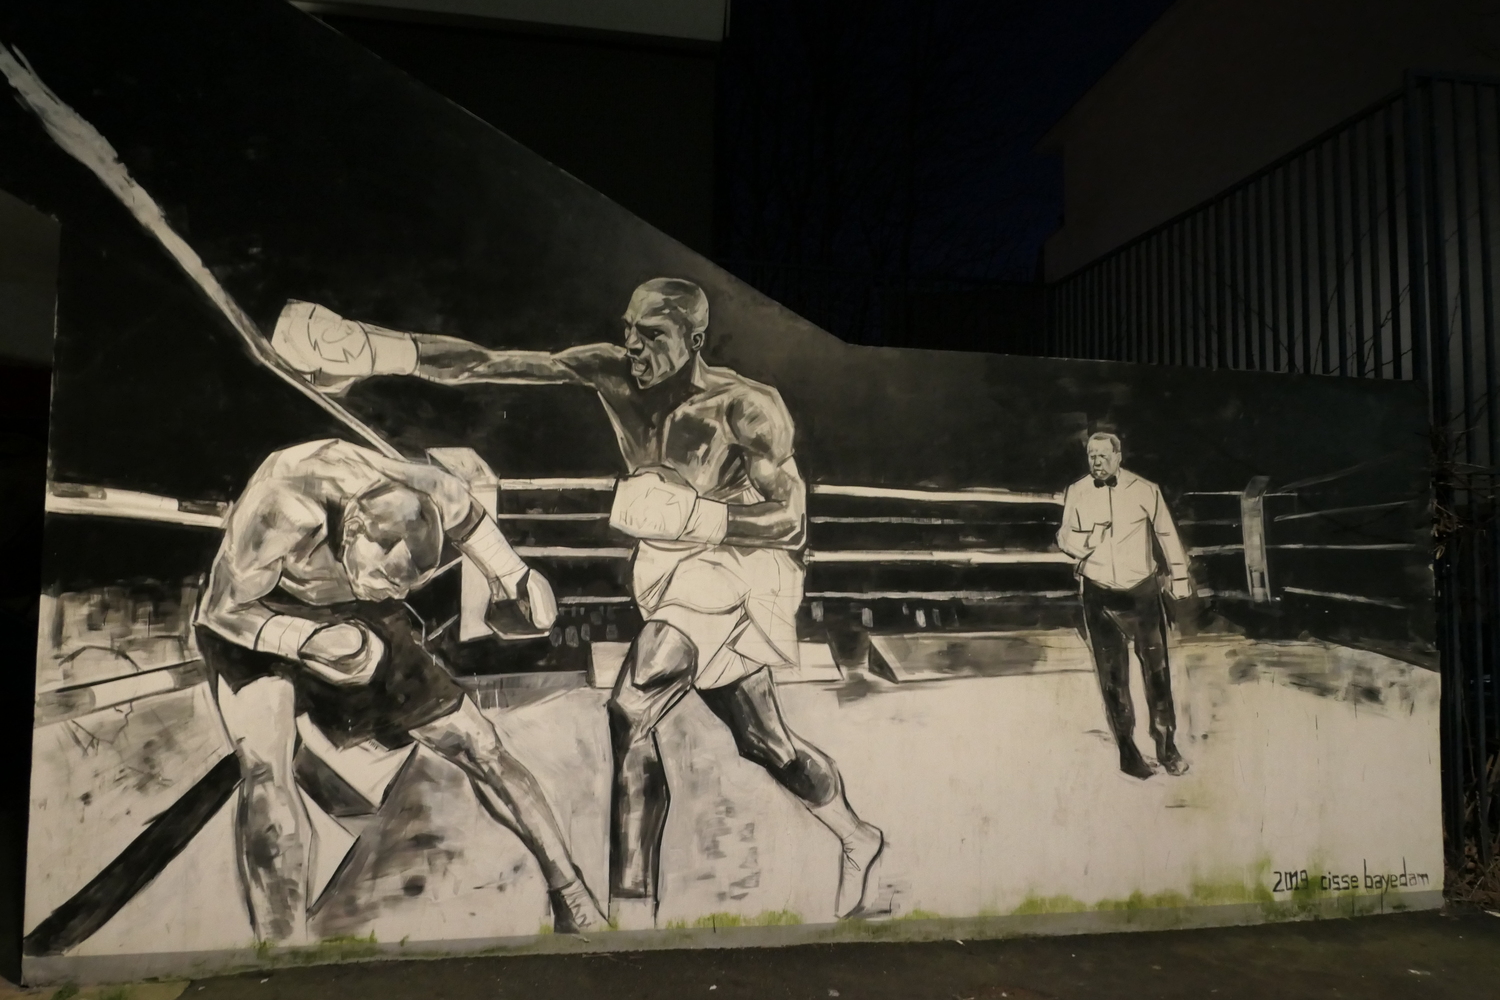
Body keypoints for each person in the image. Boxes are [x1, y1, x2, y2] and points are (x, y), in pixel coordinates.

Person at [268, 280, 884, 925]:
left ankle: (631, 915)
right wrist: (375, 350)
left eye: (653, 335)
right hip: (668, 566)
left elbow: (789, 522)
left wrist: (696, 518)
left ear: (695, 338)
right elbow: (485, 361)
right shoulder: (610, 373)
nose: (634, 346)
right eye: (630, 330)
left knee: (634, 703)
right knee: (765, 741)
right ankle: (854, 833)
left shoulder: (747, 407)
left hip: (737, 560)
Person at [195, 437, 605, 945]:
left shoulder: (435, 493)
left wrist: (515, 576)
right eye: (386, 577)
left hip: (350, 613)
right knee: (265, 768)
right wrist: (305, 641)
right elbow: (219, 611)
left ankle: (572, 893)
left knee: (480, 744)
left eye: (404, 587)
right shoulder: (283, 507)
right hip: (254, 616)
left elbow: (473, 523)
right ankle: (279, 952)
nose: (394, 593)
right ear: (354, 530)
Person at [1056, 432, 1192, 780]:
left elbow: (1166, 534)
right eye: (1091, 456)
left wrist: (1178, 577)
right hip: (1098, 593)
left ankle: (1167, 746)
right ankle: (1128, 753)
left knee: (1157, 672)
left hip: (1142, 591)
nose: (1097, 462)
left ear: (1119, 456)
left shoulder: (1146, 489)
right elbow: (1064, 538)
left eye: (1103, 455)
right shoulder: (1077, 491)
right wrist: (1090, 540)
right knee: (1112, 677)